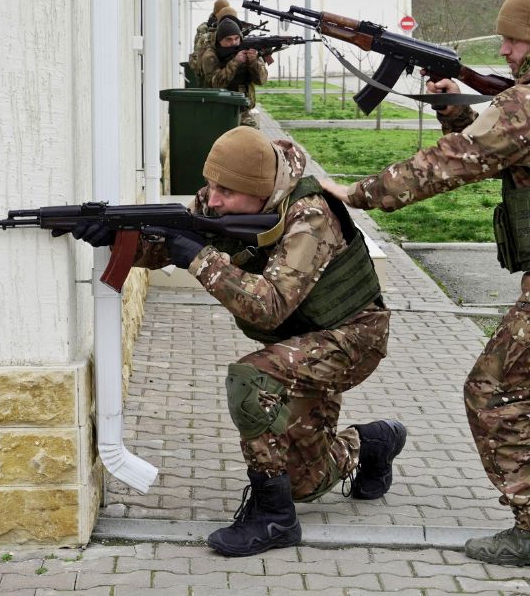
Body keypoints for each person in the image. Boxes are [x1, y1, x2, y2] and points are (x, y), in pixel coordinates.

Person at [70, 127, 404, 557]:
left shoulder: (310, 217)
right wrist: (120, 239)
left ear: (261, 191)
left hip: (353, 339)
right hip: (302, 336)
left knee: (252, 377)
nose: (212, 199)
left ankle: (273, 520)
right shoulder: (222, 202)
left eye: (226, 190)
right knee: (304, 482)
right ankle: (374, 442)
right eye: (210, 184)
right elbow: (174, 245)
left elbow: (268, 307)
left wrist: (198, 258)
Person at [318, 0, 530, 566]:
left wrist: (355, 192)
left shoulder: (523, 104)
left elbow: (447, 165)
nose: (507, 53)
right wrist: (454, 107)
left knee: (493, 393)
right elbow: (494, 148)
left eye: (515, 42)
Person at [199, 12, 269, 128]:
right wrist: (235, 62)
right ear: (219, 40)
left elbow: (261, 80)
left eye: (236, 38)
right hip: (219, 108)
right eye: (228, 39)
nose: (234, 43)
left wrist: (253, 63)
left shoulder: (247, 49)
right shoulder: (210, 56)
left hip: (243, 110)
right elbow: (214, 85)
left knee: (252, 139)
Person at [187, 0, 231, 87]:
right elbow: (199, 50)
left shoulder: (229, 25)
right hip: (207, 67)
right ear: (217, 12)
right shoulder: (204, 28)